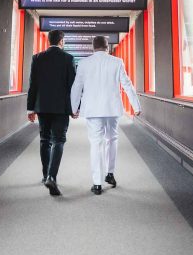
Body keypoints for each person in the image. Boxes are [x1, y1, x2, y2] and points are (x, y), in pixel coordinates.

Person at [70, 35, 141, 195]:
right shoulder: (117, 62)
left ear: (93, 48)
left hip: (92, 110)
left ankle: (97, 184)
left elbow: (76, 87)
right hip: (112, 109)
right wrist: (136, 106)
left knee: (96, 143)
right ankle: (110, 173)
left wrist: (73, 108)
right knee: (112, 139)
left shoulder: (83, 63)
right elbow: (127, 84)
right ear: (107, 47)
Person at [27, 29, 76, 196]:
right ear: (61, 41)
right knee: (59, 140)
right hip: (61, 108)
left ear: (49, 41)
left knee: (44, 139)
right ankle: (51, 176)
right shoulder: (68, 59)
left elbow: (33, 84)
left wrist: (30, 107)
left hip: (42, 107)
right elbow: (72, 87)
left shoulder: (37, 58)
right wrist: (74, 108)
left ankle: (44, 175)